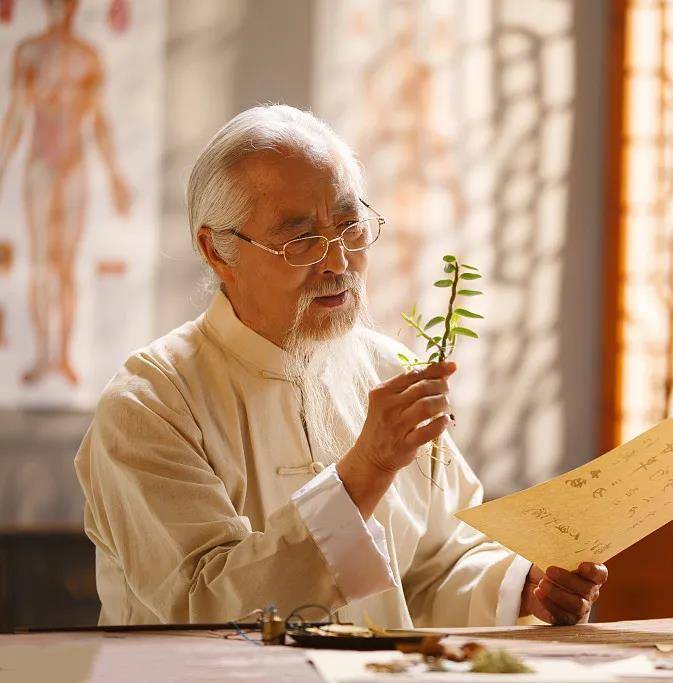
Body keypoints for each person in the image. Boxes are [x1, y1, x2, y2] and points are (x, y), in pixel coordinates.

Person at [74, 105, 608, 627]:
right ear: (217, 251)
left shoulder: (389, 370)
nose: (337, 261)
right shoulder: (151, 403)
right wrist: (365, 471)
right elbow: (201, 605)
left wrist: (522, 589)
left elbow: (434, 566)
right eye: (301, 239)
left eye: (350, 226)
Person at [0, 0, 131, 386]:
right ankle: (44, 355)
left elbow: (100, 121)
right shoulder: (29, 52)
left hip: (75, 167)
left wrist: (115, 177)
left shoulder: (87, 56)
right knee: (42, 262)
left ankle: (63, 356)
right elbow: (15, 116)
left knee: (67, 265)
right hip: (40, 166)